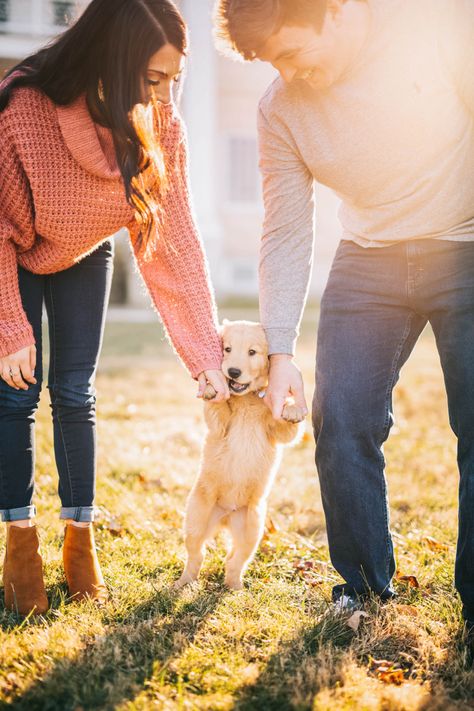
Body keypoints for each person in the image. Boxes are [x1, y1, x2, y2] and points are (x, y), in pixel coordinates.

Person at [214, 0, 474, 638]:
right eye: (271, 63)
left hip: (465, 245)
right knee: (342, 422)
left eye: (293, 53)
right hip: (369, 260)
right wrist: (278, 355)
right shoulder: (280, 106)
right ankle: (363, 588)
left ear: (333, 12)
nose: (288, 75)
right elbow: (284, 231)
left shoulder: (433, 30)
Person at [0, 0, 229, 616]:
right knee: (16, 392)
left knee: (76, 393)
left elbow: (172, 239)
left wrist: (205, 352)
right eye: (152, 78)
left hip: (85, 256)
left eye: (172, 80)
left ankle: (79, 536)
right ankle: (20, 541)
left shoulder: (161, 124)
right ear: (114, 57)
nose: (161, 94)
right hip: (13, 252)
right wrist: (8, 326)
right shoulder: (26, 106)